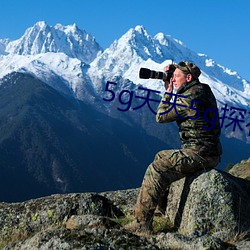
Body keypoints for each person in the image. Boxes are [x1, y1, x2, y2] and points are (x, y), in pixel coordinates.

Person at [124, 61, 222, 233]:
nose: (173, 79)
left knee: (157, 168)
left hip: (199, 154)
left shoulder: (187, 98)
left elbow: (160, 117)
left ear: (189, 78)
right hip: (210, 152)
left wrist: (168, 92)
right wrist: (175, 73)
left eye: (177, 76)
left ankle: (141, 224)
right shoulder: (203, 90)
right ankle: (161, 209)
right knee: (161, 156)